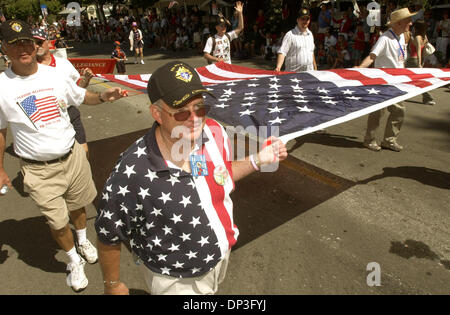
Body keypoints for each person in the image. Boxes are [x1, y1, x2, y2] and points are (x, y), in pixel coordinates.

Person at [95, 60, 288, 295]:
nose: (194, 118)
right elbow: (108, 234)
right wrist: (112, 285)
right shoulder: (132, 171)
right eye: (181, 112)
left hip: (219, 259)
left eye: (200, 107)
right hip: (176, 281)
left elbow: (220, 176)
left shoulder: (214, 132)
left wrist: (259, 159)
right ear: (157, 113)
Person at [0, 19, 125, 292]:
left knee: (79, 205)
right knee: (57, 222)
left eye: (27, 42)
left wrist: (104, 97)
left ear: (35, 45)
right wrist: (0, 169)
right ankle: (72, 261)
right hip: (38, 169)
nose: (23, 48)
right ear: (4, 49)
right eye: (15, 44)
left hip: (72, 156)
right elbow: (0, 131)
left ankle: (82, 238)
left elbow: (80, 97)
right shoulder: (2, 87)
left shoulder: (53, 74)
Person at [356, 8, 416, 152]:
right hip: (383, 83)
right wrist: (359, 68)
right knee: (378, 113)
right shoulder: (385, 39)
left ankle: (389, 140)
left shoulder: (403, 36)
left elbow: (399, 60)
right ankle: (369, 140)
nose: (411, 23)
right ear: (400, 23)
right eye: (408, 21)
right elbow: (372, 56)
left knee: (399, 112)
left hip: (397, 83)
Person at [32, 28, 93, 157]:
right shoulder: (30, 68)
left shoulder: (63, 64)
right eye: (34, 43)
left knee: (84, 151)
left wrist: (86, 79)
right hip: (48, 117)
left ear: (48, 43)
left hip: (70, 112)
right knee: (59, 155)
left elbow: (78, 88)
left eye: (40, 42)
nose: (37, 46)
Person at [275, 8, 317, 72]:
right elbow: (282, 52)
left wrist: (315, 68)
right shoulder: (290, 35)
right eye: (302, 19)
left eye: (307, 19)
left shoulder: (310, 34)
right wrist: (278, 67)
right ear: (297, 20)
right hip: (293, 75)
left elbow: (311, 52)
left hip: (309, 74)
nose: (305, 21)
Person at [406, 20, 435, 105]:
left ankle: (428, 98)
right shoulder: (424, 37)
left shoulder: (417, 37)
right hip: (419, 60)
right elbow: (423, 49)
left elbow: (418, 49)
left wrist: (418, 63)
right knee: (419, 80)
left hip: (413, 61)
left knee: (416, 80)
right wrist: (421, 62)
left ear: (416, 28)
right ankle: (427, 98)